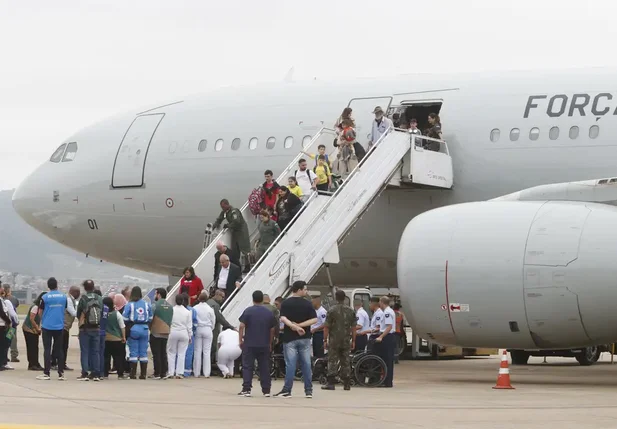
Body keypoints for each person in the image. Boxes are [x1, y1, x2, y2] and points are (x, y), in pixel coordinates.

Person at [275, 281, 318, 398]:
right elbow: (314, 320)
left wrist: (294, 326)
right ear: (299, 290)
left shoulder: (285, 303)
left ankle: (287, 390)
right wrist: (301, 325)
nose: (306, 291)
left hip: (289, 338)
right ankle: (308, 391)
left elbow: (283, 318)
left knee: (290, 364)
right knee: (306, 364)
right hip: (305, 338)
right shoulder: (308, 304)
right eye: (305, 289)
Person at [238, 290, 276, 397]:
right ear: (263, 300)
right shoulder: (268, 313)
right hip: (264, 344)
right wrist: (270, 342)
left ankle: (246, 389)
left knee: (247, 366)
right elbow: (272, 329)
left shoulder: (248, 311)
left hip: (250, 343)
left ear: (253, 299)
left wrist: (240, 340)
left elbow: (241, 326)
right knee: (264, 366)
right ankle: (266, 390)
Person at [322, 290, 356, 391]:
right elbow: (353, 327)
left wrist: (324, 340)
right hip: (346, 340)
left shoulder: (331, 310)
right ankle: (346, 383)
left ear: (336, 298)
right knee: (345, 360)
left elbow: (326, 327)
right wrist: (353, 340)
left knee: (332, 360)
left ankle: (331, 383)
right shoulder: (351, 311)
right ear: (345, 298)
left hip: (334, 340)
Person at [36, 277, 68, 381]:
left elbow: (40, 312)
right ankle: (61, 373)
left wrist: (42, 320)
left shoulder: (45, 297)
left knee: (47, 349)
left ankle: (47, 373)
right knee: (59, 350)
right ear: (57, 285)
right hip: (59, 326)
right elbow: (65, 309)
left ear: (48, 286)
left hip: (47, 326)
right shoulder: (63, 297)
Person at [122, 286, 153, 380]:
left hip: (134, 328)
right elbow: (151, 317)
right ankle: (143, 374)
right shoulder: (147, 304)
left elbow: (124, 318)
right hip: (144, 328)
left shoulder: (129, 304)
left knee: (134, 351)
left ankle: (133, 374)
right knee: (143, 352)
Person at [213, 199, 251, 273]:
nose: (222, 208)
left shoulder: (234, 211)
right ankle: (237, 267)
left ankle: (247, 265)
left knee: (244, 249)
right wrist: (215, 224)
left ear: (227, 204)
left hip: (241, 231)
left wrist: (228, 225)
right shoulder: (225, 212)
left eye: (223, 207)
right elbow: (219, 219)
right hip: (235, 232)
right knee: (235, 250)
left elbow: (237, 222)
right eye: (221, 207)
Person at [76, 280, 103, 381]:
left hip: (85, 329)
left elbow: (79, 313)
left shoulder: (83, 298)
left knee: (85, 351)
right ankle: (96, 373)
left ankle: (85, 373)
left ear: (85, 288)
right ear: (93, 287)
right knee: (95, 351)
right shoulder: (99, 298)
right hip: (96, 328)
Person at [167, 294, 192, 379]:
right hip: (184, 332)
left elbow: (169, 322)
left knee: (171, 352)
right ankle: (179, 373)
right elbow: (189, 326)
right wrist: (190, 336)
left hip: (173, 332)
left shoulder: (171, 310)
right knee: (182, 353)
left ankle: (171, 372)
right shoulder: (187, 312)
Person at [207, 289, 235, 367]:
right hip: (213, 330)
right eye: (222, 297)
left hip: (205, 329)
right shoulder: (215, 305)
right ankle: (209, 366)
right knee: (212, 348)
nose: (223, 299)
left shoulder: (208, 302)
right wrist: (231, 327)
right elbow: (220, 318)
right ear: (217, 295)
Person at [150, 288, 173, 380]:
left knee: (156, 353)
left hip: (156, 331)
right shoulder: (170, 306)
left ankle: (157, 373)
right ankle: (164, 372)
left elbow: (150, 317)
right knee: (163, 352)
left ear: (159, 295)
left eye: (155, 294)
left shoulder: (155, 305)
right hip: (166, 331)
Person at [103, 296, 127, 379]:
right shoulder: (117, 314)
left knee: (106, 357)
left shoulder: (103, 314)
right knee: (118, 357)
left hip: (105, 338)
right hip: (116, 339)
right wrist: (123, 337)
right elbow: (122, 326)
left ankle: (105, 373)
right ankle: (120, 374)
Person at [193, 292, 215, 378]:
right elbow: (213, 321)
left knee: (197, 351)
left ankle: (196, 372)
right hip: (207, 329)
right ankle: (206, 373)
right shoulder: (210, 309)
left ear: (198, 299)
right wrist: (211, 328)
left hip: (198, 328)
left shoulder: (195, 308)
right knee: (206, 351)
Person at [375, 296, 395, 388]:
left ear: (382, 302)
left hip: (388, 337)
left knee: (387, 360)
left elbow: (389, 326)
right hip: (387, 336)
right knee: (386, 359)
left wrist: (381, 337)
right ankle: (386, 380)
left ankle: (387, 382)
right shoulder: (388, 311)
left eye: (379, 302)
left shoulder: (387, 312)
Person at [23, 292, 46, 371]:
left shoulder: (40, 308)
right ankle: (32, 364)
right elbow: (31, 319)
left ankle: (35, 363)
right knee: (31, 347)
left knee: (35, 347)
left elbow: (39, 319)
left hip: (34, 329)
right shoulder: (35, 307)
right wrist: (37, 328)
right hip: (29, 329)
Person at [182, 293, 198, 377]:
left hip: (180, 331)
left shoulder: (177, 309)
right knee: (189, 352)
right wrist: (193, 332)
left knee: (179, 352)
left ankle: (177, 369)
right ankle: (187, 371)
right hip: (189, 333)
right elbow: (195, 323)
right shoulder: (192, 310)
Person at [3, 285, 19, 363]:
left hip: (3, 323)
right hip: (12, 323)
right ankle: (14, 355)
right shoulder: (13, 299)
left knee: (4, 340)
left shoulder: (2, 299)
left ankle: (4, 356)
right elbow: (16, 305)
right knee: (12, 339)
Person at [0, 288, 13, 371]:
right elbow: (3, 313)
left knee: (6, 344)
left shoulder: (4, 301)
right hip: (6, 325)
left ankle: (4, 362)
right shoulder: (7, 302)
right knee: (6, 344)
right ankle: (3, 362)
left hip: (7, 325)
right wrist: (9, 321)